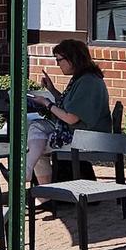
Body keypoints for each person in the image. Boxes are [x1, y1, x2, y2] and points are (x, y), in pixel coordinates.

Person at [26, 39, 111, 183]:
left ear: (72, 59)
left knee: (36, 146)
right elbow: (69, 105)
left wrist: (47, 103)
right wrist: (52, 90)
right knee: (36, 130)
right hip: (80, 132)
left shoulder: (87, 82)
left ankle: (40, 185)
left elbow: (71, 118)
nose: (57, 64)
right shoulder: (84, 78)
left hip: (87, 138)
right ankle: (31, 174)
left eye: (59, 60)